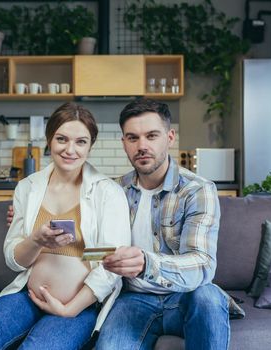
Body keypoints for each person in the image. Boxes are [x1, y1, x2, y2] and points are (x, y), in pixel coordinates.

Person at [0, 102, 131, 350]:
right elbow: (14, 259)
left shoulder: (107, 192)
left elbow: (110, 260)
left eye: (81, 141)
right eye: (62, 139)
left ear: (91, 145)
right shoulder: (28, 187)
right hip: (27, 297)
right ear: (49, 140)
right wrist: (37, 241)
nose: (70, 149)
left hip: (78, 305)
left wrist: (69, 309)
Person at [96, 98, 233, 350]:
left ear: (169, 137)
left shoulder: (197, 190)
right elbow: (88, 245)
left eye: (151, 135)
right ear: (123, 143)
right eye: (132, 138)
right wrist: (28, 217)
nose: (142, 146)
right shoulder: (112, 190)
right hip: (133, 299)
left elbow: (202, 264)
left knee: (208, 297)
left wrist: (147, 263)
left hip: (186, 296)